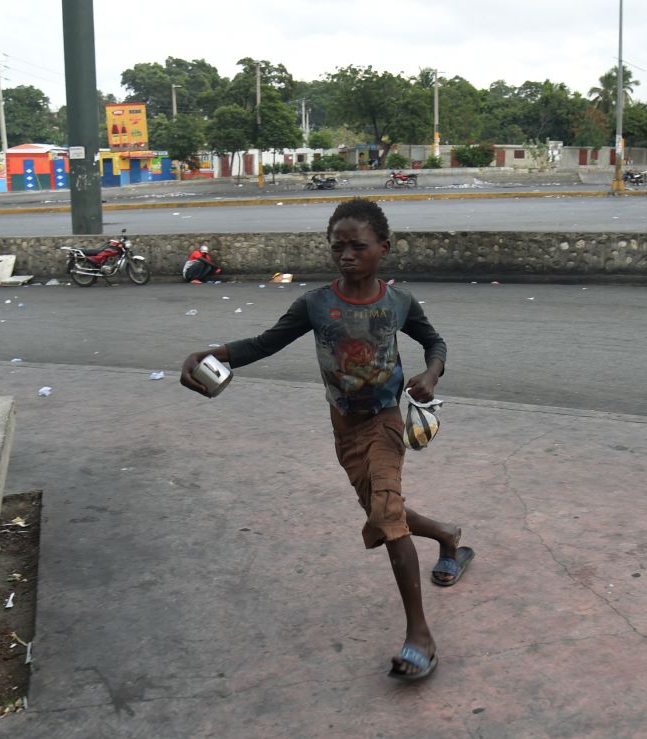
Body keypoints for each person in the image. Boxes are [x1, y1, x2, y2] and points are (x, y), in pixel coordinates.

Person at [180, 198, 474, 681]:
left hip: (384, 423)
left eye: (358, 246)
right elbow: (263, 343)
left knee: (387, 515)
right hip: (344, 428)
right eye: (337, 246)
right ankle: (447, 536)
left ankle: (420, 634)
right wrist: (208, 353)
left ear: (384, 247)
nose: (346, 255)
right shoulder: (316, 304)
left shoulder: (397, 303)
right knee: (385, 512)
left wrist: (432, 374)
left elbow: (434, 343)